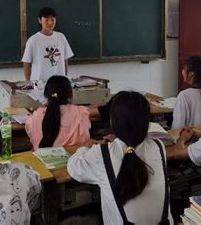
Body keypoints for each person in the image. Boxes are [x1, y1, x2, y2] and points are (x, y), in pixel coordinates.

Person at [67, 91, 173, 225]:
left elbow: (73, 167)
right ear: (147, 122)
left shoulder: (102, 154)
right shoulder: (158, 147)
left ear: (113, 121)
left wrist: (85, 147)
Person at [25, 75, 90, 150]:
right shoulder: (81, 112)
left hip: (43, 159)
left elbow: (32, 134)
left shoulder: (37, 115)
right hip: (73, 159)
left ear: (46, 94)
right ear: (70, 94)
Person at [22, 7, 73, 82]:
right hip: (40, 84)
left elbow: (65, 60)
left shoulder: (61, 37)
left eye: (52, 19)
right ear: (40, 20)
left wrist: (65, 77)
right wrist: (29, 82)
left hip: (59, 82)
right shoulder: (33, 40)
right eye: (46, 20)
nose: (50, 23)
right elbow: (26, 63)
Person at [171, 55, 201, 129]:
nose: (182, 71)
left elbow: (177, 128)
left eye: (184, 69)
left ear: (191, 74)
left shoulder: (184, 96)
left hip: (192, 140)